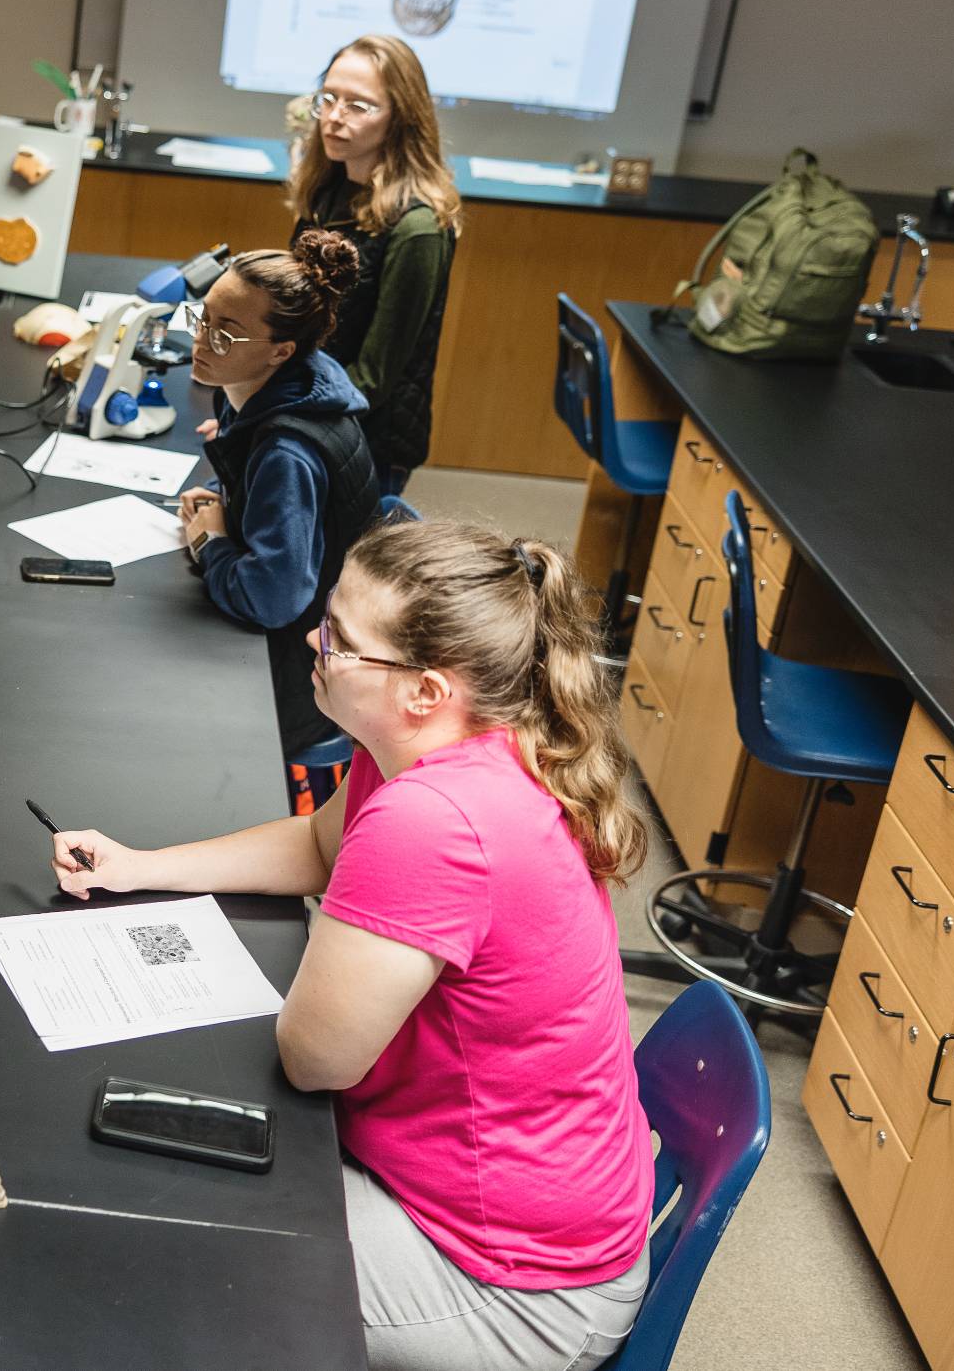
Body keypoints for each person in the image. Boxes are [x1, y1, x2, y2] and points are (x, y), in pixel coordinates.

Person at [46, 523, 654, 1371]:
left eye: (340, 640)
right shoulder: (427, 747)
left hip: (513, 1287)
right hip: (508, 1204)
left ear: (424, 690)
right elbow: (320, 849)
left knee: (162, 1253)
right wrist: (140, 868)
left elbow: (312, 1060)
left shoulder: (436, 818)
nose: (313, 642)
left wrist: (352, 916)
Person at [178, 230, 382, 812]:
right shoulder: (259, 390)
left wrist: (213, 544)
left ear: (281, 351)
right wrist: (226, 495)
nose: (202, 342)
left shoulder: (287, 451)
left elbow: (274, 596)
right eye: (202, 317)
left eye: (225, 333)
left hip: (304, 689)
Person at [283, 34, 463, 494]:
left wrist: (272, 408)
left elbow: (373, 378)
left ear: (401, 119)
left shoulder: (418, 228)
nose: (334, 117)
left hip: (366, 443)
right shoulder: (329, 188)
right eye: (328, 98)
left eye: (359, 106)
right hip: (313, 415)